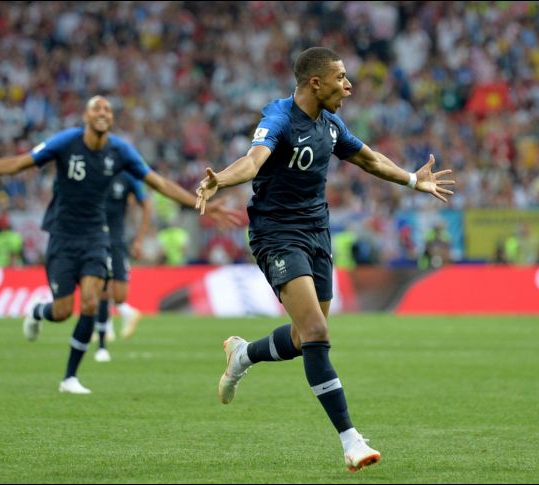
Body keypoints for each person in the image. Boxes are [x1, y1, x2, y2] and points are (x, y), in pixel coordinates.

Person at [194, 47, 455, 471]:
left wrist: (412, 179)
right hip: (277, 235)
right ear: (316, 83)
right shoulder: (279, 118)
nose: (348, 86)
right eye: (341, 78)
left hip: (318, 234)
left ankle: (243, 354)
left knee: (304, 339)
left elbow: (369, 159)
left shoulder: (330, 125)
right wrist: (219, 180)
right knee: (317, 331)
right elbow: (253, 161)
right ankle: (351, 441)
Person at [0, 95, 240, 395]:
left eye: (107, 109)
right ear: (86, 117)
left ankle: (69, 377)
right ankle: (37, 312)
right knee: (61, 311)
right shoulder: (66, 141)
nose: (103, 112)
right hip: (62, 234)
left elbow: (159, 183)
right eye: (96, 108)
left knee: (90, 301)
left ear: (111, 119)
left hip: (96, 236)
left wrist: (202, 204)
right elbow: (20, 163)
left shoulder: (120, 150)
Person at [93, 171, 153, 363]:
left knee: (119, 295)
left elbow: (146, 204)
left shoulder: (127, 176)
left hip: (117, 242)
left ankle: (124, 313)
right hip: (94, 241)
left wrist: (139, 240)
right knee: (101, 288)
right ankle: (103, 339)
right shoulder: (92, 171)